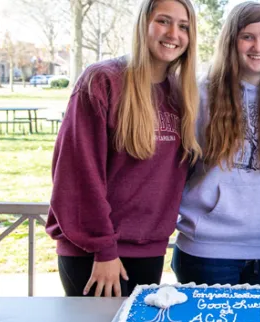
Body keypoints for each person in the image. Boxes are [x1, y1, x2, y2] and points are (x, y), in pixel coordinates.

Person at [46, 0, 200, 297]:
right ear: (143, 24)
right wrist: (103, 248)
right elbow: (78, 173)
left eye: (183, 26)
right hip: (93, 253)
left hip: (149, 250)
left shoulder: (182, 95)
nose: (173, 33)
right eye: (163, 21)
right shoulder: (103, 80)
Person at [172, 2, 260, 287]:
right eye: (247, 36)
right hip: (207, 248)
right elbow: (175, 166)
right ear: (231, 41)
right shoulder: (199, 95)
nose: (258, 46)